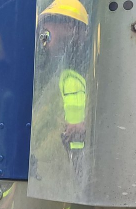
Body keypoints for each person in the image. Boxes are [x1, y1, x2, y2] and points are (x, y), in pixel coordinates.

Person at [38, 0, 89, 155]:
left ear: (69, 28)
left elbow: (76, 136)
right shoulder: (49, 75)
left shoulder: (73, 79)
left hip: (59, 172)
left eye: (50, 21)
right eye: (43, 23)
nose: (44, 30)